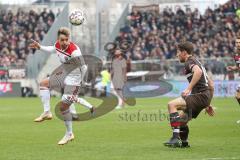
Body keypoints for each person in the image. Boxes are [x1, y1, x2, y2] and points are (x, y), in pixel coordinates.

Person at [29, 27, 94, 145]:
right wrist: (40, 47)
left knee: (63, 107)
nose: (64, 42)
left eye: (66, 40)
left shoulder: (74, 51)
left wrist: (82, 82)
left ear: (69, 39)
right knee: (43, 84)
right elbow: (53, 49)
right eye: (62, 40)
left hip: (75, 79)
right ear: (58, 39)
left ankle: (69, 134)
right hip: (64, 73)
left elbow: (84, 67)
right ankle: (47, 112)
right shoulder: (58, 45)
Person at [163, 41, 214, 148]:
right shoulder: (197, 62)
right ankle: (184, 143)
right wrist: (208, 103)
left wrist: (188, 88)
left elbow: (198, 72)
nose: (177, 55)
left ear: (184, 52)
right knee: (180, 121)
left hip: (200, 95)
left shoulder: (189, 62)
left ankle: (175, 138)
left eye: (178, 52)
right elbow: (211, 84)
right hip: (204, 97)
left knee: (171, 105)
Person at [227, 35, 240, 106]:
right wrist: (232, 68)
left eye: (239, 42)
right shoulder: (236, 55)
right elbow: (238, 66)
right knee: (237, 96)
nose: (238, 44)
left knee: (237, 96)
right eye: (236, 42)